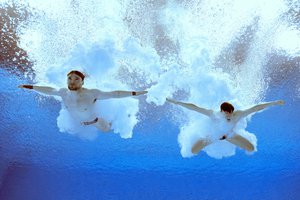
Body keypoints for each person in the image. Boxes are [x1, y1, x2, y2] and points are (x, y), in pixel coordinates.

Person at [19, 70, 147, 132]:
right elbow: (48, 90)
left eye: (76, 79)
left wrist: (136, 93)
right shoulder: (63, 92)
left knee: (107, 130)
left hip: (93, 121)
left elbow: (115, 94)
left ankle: (116, 121)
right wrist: (29, 87)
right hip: (75, 123)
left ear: (82, 82)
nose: (72, 81)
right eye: (69, 78)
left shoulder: (91, 93)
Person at [166, 98, 285, 154]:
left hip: (230, 136)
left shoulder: (237, 115)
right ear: (221, 111)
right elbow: (195, 107)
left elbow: (256, 108)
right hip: (214, 136)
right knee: (192, 151)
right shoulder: (214, 114)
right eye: (226, 113)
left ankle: (228, 139)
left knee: (251, 148)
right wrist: (176, 102)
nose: (229, 115)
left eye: (230, 113)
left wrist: (274, 103)